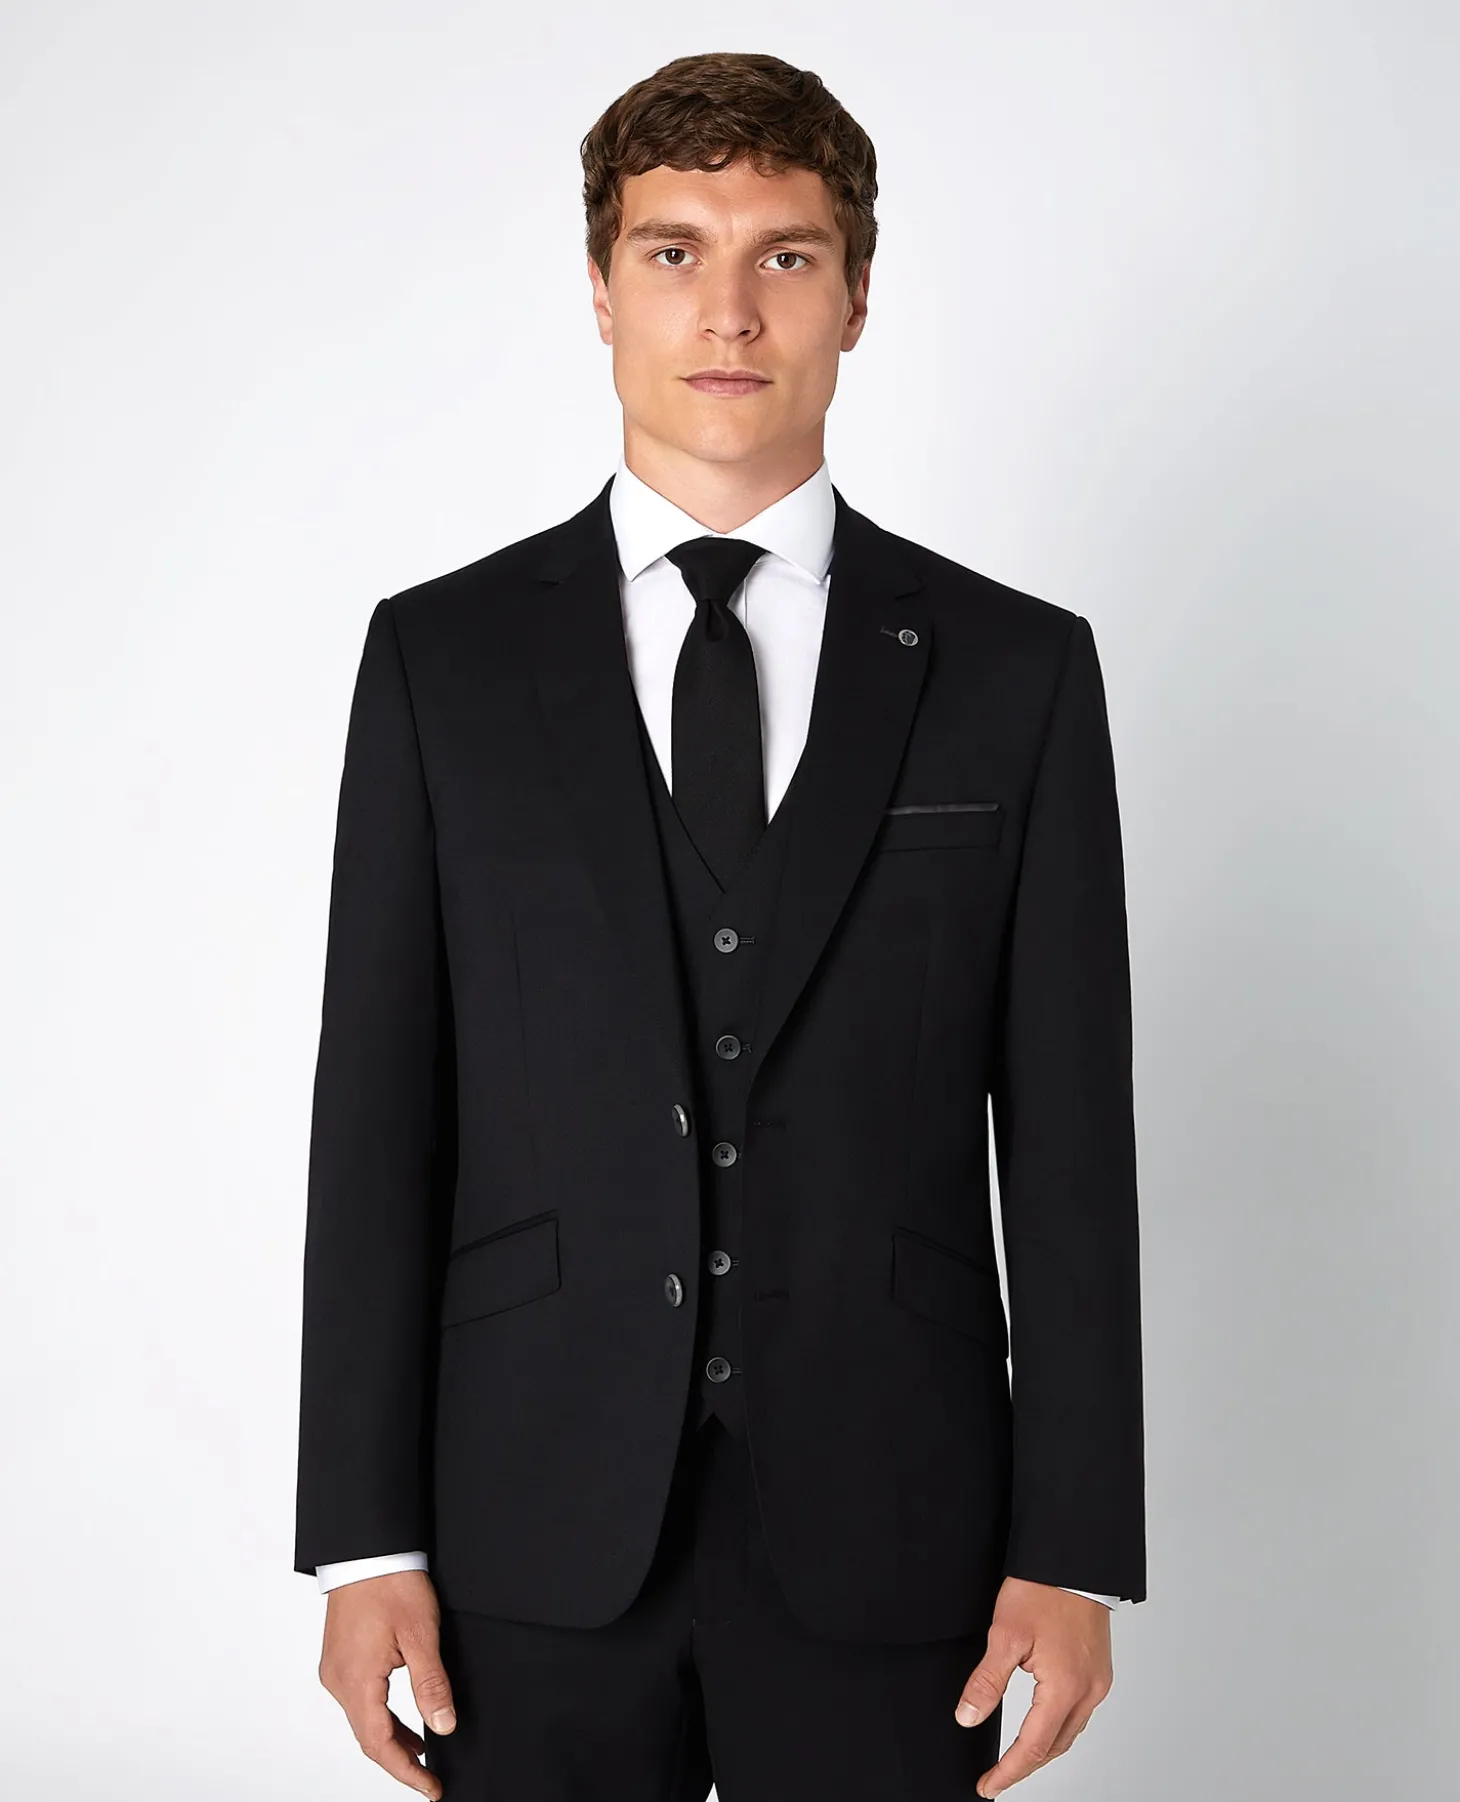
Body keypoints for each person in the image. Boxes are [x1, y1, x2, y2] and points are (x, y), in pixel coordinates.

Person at [293, 48, 1145, 1802]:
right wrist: (365, 1537)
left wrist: (1074, 1546)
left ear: (856, 297)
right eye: (674, 251)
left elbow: (1072, 1145)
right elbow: (378, 1114)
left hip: (898, 1524)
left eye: (786, 255)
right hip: (526, 1517)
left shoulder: (1017, 670)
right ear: (601, 291)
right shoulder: (442, 661)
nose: (729, 309)